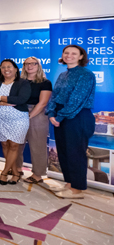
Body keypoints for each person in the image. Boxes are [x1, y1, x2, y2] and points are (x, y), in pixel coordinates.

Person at [45, 45, 96, 199]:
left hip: (78, 117)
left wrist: (59, 117)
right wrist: (51, 113)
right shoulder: (63, 74)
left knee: (76, 153)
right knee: (64, 152)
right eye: (66, 53)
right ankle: (69, 183)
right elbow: (55, 96)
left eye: (74, 53)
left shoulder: (86, 74)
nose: (69, 55)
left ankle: (77, 189)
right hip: (61, 116)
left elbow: (76, 100)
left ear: (81, 56)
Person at [0, 59, 31, 186]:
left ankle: (4, 172)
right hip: (0, 118)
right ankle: (15, 172)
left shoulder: (23, 83)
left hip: (18, 118)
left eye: (9, 67)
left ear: (16, 69)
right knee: (5, 144)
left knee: (14, 145)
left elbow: (21, 99)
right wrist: (6, 102)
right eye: (3, 67)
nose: (6, 69)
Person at [18, 57, 53, 185]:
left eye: (33, 64)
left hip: (37, 113)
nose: (30, 66)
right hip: (19, 111)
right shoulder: (19, 81)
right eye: (27, 64)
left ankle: (37, 174)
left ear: (38, 66)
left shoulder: (45, 82)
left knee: (37, 145)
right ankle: (17, 169)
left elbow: (43, 103)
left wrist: (29, 116)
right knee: (16, 143)